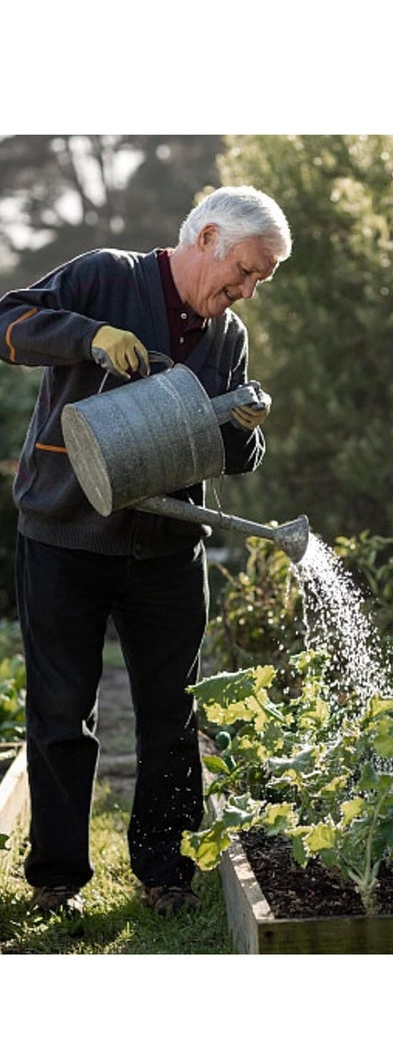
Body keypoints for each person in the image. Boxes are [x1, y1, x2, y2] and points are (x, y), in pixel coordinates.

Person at [0, 184, 292, 918]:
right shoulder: (106, 276)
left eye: (261, 280)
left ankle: (165, 872)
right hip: (65, 532)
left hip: (166, 547)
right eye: (247, 271)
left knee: (173, 713)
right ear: (209, 239)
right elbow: (7, 322)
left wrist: (246, 425)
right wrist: (87, 337)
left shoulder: (227, 338)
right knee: (63, 712)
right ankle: (58, 880)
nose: (249, 291)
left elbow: (233, 457)